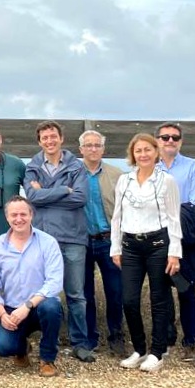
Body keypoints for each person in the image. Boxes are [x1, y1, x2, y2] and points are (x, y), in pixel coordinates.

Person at [111, 134, 183, 374]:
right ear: (132, 154)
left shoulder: (167, 181)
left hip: (158, 245)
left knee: (159, 299)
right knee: (129, 300)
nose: (143, 154)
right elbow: (117, 217)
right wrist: (116, 247)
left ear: (156, 152)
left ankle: (157, 352)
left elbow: (174, 218)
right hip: (130, 246)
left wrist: (174, 252)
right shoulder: (125, 180)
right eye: (138, 150)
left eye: (147, 150)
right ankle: (139, 349)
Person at [24, 120, 94, 362]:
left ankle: (80, 343)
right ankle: (46, 343)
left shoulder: (76, 166)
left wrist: (46, 194)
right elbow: (32, 197)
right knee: (44, 294)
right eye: (45, 138)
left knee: (76, 294)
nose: (49, 141)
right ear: (39, 141)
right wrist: (64, 190)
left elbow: (81, 198)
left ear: (61, 138)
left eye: (53, 136)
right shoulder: (32, 166)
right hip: (43, 238)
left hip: (73, 237)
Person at [0, 198, 65, 378]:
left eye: (23, 214)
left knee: (52, 307)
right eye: (14, 215)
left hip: (40, 306)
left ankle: (47, 359)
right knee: (2, 347)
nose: (19, 219)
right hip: (12, 309)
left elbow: (54, 282)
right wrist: (2, 314)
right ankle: (22, 349)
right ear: (7, 217)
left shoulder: (48, 242)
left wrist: (27, 306)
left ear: (31, 216)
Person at [154, 121, 195, 360]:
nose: (170, 141)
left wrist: (166, 212)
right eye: (165, 137)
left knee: (187, 291)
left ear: (181, 141)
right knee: (160, 291)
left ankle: (191, 341)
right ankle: (166, 337)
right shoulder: (149, 168)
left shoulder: (193, 168)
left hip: (185, 238)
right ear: (157, 140)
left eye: (174, 137)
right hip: (155, 238)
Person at [78, 129, 126, 357]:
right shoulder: (72, 174)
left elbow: (126, 210)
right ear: (81, 150)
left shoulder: (117, 175)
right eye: (88, 145)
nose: (93, 149)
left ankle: (116, 336)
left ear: (103, 149)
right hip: (81, 241)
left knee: (116, 291)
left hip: (109, 240)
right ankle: (89, 338)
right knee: (84, 292)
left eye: (97, 145)